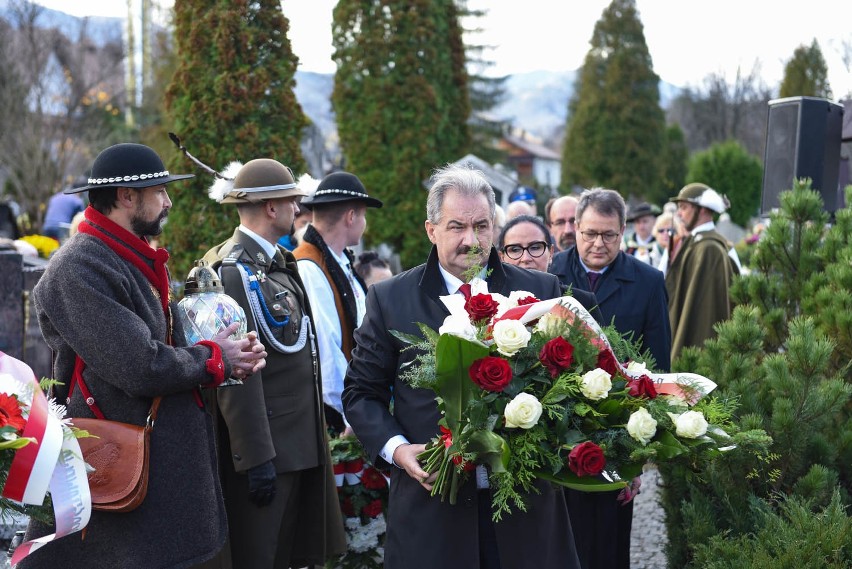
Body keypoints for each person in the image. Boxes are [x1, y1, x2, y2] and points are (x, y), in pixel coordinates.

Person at [21, 142, 267, 569]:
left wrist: (232, 356)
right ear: (127, 197)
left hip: (155, 468)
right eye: (160, 191)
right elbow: (139, 365)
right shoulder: (78, 267)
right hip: (116, 469)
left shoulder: (127, 255)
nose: (169, 202)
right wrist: (212, 359)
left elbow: (168, 345)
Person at [343, 163, 581, 569]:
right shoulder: (390, 300)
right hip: (434, 512)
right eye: (457, 226)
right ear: (431, 229)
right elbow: (361, 394)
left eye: (482, 226)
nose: (471, 240)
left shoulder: (542, 291)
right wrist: (399, 451)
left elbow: (570, 380)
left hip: (524, 511)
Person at [202, 158, 346, 568]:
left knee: (287, 557)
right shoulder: (233, 271)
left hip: (296, 443)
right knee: (259, 557)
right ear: (270, 208)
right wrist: (255, 457)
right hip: (270, 449)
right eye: (290, 202)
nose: (296, 210)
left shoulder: (270, 264)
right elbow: (237, 375)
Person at [548, 187, 671, 569]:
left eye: (609, 235)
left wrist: (636, 461)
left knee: (608, 547)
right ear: (576, 228)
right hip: (554, 433)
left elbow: (657, 367)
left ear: (624, 233)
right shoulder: (551, 274)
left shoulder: (648, 282)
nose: (599, 243)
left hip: (615, 437)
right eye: (590, 234)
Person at [292, 171, 383, 436]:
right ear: (351, 216)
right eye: (363, 215)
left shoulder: (337, 262)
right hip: (338, 418)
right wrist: (352, 412)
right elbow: (325, 347)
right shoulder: (309, 266)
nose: (365, 223)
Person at [666, 182, 740, 362]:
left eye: (684, 207)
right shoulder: (696, 242)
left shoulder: (709, 248)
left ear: (703, 210)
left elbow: (704, 314)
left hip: (700, 356)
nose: (679, 214)